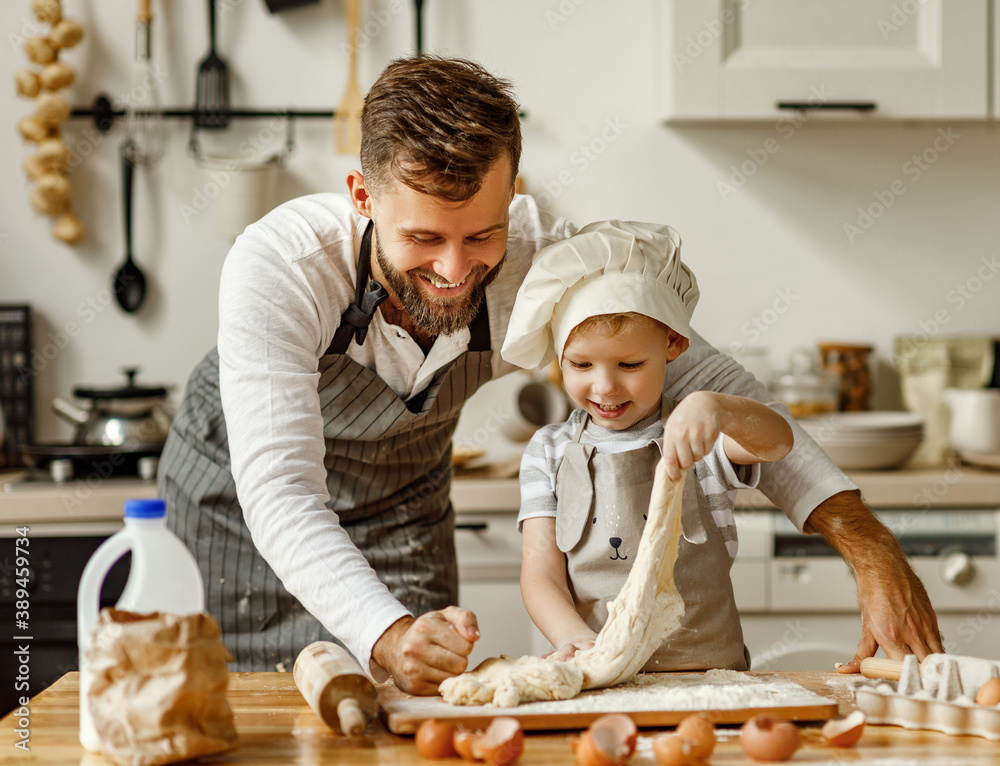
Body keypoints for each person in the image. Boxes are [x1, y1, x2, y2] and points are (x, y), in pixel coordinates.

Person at [157, 54, 942, 697]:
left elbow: (715, 379)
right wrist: (382, 629)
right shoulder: (280, 267)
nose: (455, 271)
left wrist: (870, 549)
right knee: (248, 717)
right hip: (242, 517)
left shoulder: (545, 261)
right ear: (362, 197)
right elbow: (283, 493)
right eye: (424, 238)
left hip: (401, 510)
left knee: (410, 719)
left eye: (482, 236)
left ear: (515, 197)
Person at [502, 220, 795, 670]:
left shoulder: (699, 432)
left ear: (673, 343)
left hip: (710, 678)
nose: (605, 386)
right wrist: (575, 639)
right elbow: (541, 573)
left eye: (630, 363)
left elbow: (778, 442)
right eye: (580, 364)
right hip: (604, 675)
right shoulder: (550, 451)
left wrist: (718, 408)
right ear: (558, 356)